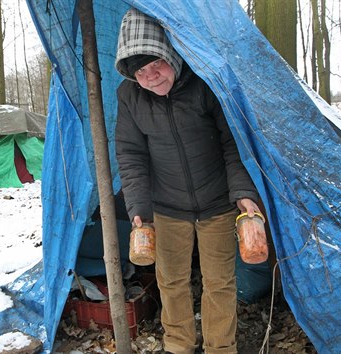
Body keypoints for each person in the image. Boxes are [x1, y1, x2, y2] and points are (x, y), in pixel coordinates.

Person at [114, 8, 261, 354]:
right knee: (171, 282)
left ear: (171, 55)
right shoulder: (130, 97)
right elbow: (131, 156)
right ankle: (178, 345)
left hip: (217, 203)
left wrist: (243, 194)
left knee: (220, 283)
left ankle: (220, 348)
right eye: (141, 72)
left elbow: (233, 143)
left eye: (156, 66)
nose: (150, 77)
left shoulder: (204, 82)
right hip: (166, 207)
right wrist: (139, 209)